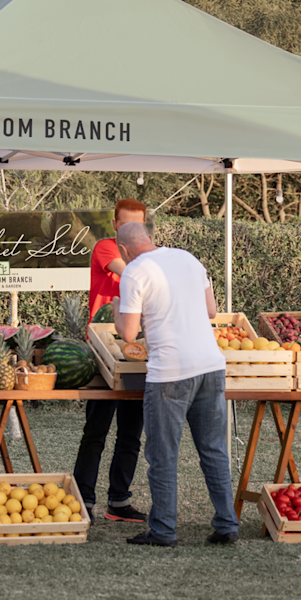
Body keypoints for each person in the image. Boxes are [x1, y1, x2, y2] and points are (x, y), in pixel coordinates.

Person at [112, 222, 239, 547]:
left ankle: (164, 530)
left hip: (170, 373)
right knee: (213, 449)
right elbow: (211, 310)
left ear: (124, 249)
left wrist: (116, 310)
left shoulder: (134, 272)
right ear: (149, 239)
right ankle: (227, 524)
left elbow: (127, 334)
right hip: (211, 366)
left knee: (162, 454)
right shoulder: (189, 259)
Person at [73, 199, 148, 524]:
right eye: (127, 224)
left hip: (136, 348)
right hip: (103, 350)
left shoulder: (146, 258)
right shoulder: (106, 247)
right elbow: (129, 272)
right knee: (97, 430)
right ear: (116, 225)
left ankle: (118, 501)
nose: (132, 231)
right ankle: (83, 499)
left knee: (131, 432)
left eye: (139, 226)